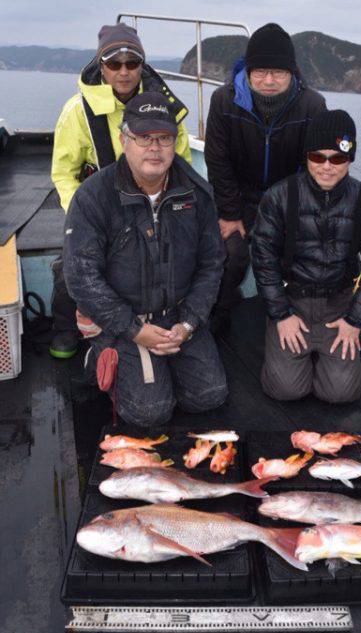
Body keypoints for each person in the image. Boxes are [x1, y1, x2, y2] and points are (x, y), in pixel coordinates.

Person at [63, 91, 228, 427]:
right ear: (125, 140)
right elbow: (82, 276)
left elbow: (211, 264)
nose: (155, 147)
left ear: (175, 142)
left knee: (209, 395)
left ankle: (164, 360)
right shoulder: (93, 197)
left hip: (179, 317)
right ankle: (99, 353)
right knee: (149, 413)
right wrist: (134, 330)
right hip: (124, 321)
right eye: (144, 137)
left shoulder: (197, 194)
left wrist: (189, 323)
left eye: (164, 138)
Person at [50, 23, 192, 359]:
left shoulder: (166, 107)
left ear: (142, 65)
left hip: (153, 203)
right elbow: (63, 172)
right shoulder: (77, 112)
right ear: (101, 66)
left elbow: (182, 164)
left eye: (132, 62)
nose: (124, 71)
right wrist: (81, 212)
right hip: (98, 207)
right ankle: (64, 328)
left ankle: (179, 320)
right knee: (71, 264)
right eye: (114, 63)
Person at [252, 109, 361, 404]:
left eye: (337, 158)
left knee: (341, 394)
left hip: (339, 305)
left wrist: (355, 320)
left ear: (350, 159)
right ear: (306, 157)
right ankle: (282, 345)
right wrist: (281, 314)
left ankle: (322, 360)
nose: (327, 167)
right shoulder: (279, 196)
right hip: (293, 303)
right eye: (318, 157)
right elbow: (264, 259)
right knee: (285, 390)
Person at [204, 22, 326, 334]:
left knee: (289, 256)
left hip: (287, 200)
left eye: (278, 72)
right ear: (248, 69)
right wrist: (230, 214)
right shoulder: (223, 101)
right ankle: (219, 309)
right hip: (238, 197)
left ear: (292, 72)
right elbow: (218, 160)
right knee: (229, 253)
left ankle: (281, 317)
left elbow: (312, 168)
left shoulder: (312, 105)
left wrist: (286, 216)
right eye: (260, 71)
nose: (269, 80)